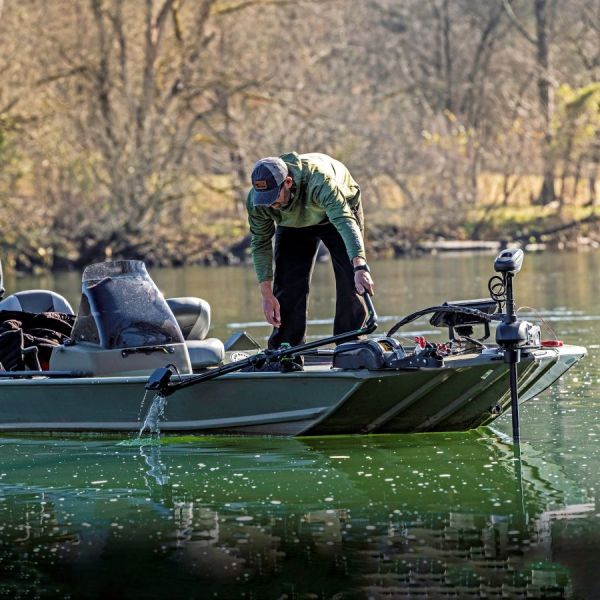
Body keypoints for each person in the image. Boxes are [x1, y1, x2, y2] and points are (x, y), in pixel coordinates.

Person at [246, 152, 374, 350]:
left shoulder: (319, 182)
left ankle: (350, 344)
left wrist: (360, 267)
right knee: (287, 284)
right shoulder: (258, 203)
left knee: (351, 279)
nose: (270, 204)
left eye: (273, 196)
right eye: (264, 198)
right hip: (293, 222)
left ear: (288, 182)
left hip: (337, 214)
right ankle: (287, 349)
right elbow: (260, 243)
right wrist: (266, 295)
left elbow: (344, 221)